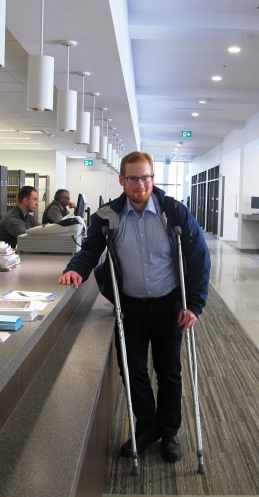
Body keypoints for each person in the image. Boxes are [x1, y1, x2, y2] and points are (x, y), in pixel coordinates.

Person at [58, 151, 210, 462]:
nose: (140, 184)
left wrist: (193, 304)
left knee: (169, 371)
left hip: (170, 304)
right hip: (131, 307)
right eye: (133, 178)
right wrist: (75, 268)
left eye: (145, 177)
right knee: (132, 370)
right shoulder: (107, 217)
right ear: (122, 180)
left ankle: (169, 433)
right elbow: (90, 251)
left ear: (153, 178)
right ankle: (146, 427)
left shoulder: (174, 212)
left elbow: (198, 258)